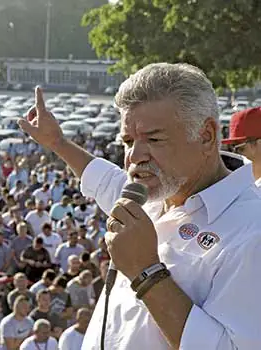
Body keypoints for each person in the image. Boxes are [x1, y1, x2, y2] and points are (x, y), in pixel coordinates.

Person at [19, 66, 261, 349]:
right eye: (128, 141)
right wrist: (57, 143)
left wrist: (146, 272)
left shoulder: (251, 230)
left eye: (154, 139)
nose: (135, 156)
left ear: (206, 135)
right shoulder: (156, 193)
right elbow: (105, 179)